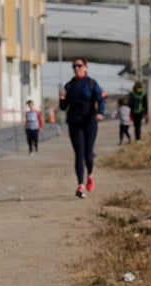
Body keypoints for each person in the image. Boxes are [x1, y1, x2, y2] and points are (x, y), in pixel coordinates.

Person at [59, 57, 106, 199]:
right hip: (74, 123)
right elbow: (63, 107)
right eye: (74, 66)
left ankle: (90, 175)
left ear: (85, 67)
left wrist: (100, 113)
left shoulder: (91, 83)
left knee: (88, 154)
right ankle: (80, 185)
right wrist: (61, 99)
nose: (76, 68)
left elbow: (100, 99)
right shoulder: (69, 86)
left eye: (79, 66)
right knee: (79, 155)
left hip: (90, 122)